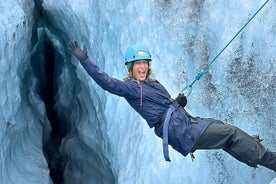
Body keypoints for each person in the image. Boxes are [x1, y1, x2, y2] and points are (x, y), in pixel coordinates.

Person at [68, 41, 276, 172]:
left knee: (222, 129)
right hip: (182, 131)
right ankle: (271, 161)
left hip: (185, 124)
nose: (142, 67)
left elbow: (159, 107)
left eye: (144, 63)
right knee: (230, 133)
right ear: (130, 68)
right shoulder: (131, 88)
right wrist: (86, 61)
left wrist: (177, 102)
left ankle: (252, 153)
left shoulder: (151, 84)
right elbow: (107, 83)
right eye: (137, 64)